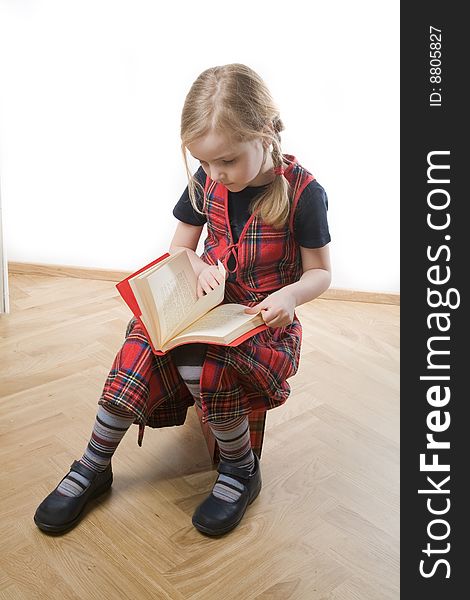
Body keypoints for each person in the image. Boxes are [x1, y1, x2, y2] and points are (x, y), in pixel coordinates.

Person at [34, 63, 332, 537]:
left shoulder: (304, 192)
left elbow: (321, 273)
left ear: (265, 134)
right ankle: (95, 462)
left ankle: (239, 469)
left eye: (227, 161)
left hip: (263, 323)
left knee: (211, 363)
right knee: (139, 345)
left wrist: (289, 297)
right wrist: (194, 264)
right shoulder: (209, 177)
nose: (215, 174)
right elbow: (180, 247)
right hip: (206, 306)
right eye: (205, 162)